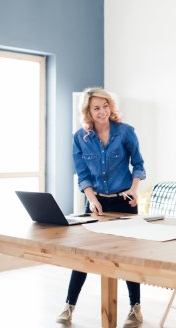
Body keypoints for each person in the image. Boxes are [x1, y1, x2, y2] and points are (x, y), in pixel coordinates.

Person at [56, 87, 146, 328]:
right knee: (84, 254)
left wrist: (134, 189)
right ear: (88, 111)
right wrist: (92, 198)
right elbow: (82, 173)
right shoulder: (80, 137)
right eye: (96, 108)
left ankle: (135, 309)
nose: (102, 111)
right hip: (96, 203)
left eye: (105, 106)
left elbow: (138, 163)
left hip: (124, 201)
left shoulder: (125, 132)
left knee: (127, 257)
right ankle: (68, 306)